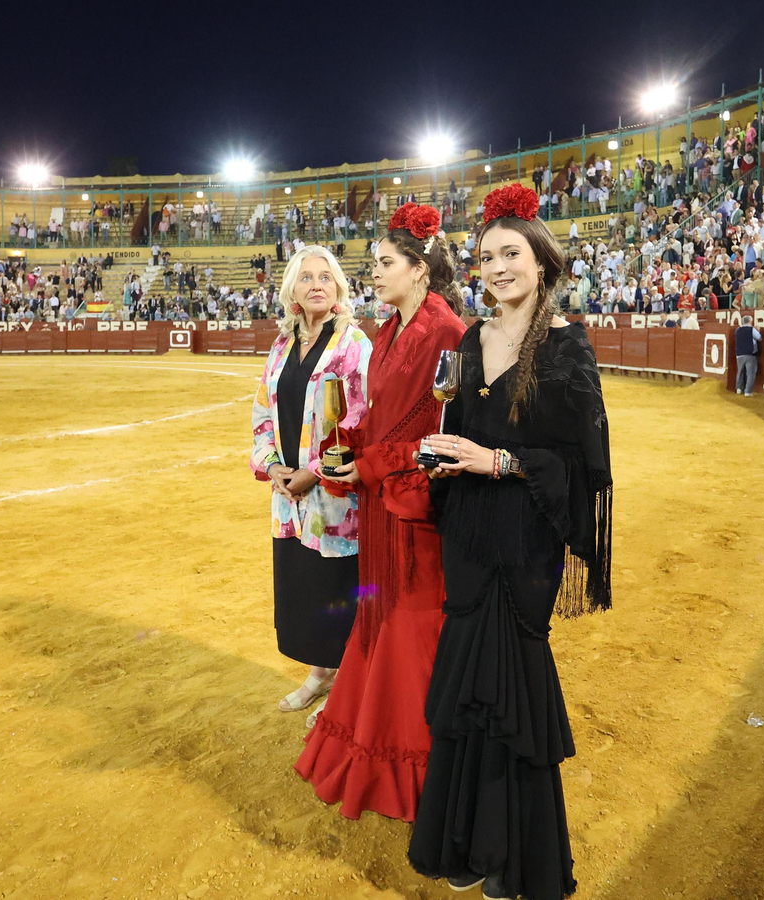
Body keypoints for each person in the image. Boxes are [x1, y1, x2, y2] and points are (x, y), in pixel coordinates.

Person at [408, 185, 611, 900]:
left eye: (511, 254)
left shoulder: (566, 347)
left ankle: (517, 861)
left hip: (525, 542)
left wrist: (499, 461)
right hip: (468, 535)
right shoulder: (469, 340)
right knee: (464, 690)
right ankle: (465, 845)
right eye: (486, 256)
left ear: (542, 263)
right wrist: (437, 455)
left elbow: (582, 465)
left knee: (513, 693)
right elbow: (457, 428)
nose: (496, 268)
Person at [296, 204, 467, 821]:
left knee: (409, 629)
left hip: (414, 511)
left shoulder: (444, 331)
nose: (374, 274)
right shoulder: (392, 329)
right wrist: (350, 442)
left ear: (420, 270)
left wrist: (365, 463)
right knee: (383, 621)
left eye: (385, 263)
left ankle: (419, 773)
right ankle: (375, 747)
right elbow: (384, 416)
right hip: (384, 505)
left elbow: (436, 432)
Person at [250, 246, 373, 718]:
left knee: (337, 591)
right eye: (306, 278)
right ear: (292, 291)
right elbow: (263, 412)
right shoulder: (282, 346)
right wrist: (274, 466)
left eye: (326, 276)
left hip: (335, 501)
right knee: (306, 588)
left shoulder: (353, 343)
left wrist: (312, 473)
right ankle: (321, 675)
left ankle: (349, 691)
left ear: (339, 287)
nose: (317, 284)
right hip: (289, 499)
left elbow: (360, 420)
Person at [733, 314, 762, 395]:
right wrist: (758, 330)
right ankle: (747, 391)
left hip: (739, 355)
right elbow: (759, 338)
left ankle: (739, 389)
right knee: (750, 373)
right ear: (750, 321)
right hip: (750, 355)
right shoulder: (752, 329)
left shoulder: (737, 330)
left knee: (740, 372)